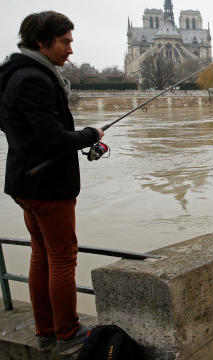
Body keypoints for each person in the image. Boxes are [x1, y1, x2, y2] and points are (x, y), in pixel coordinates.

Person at [0, 11, 103, 355]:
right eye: (65, 41)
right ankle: (67, 332)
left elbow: (19, 129)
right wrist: (90, 134)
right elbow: (53, 140)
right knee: (62, 258)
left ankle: (46, 331)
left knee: (41, 255)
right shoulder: (33, 78)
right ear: (42, 42)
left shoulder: (13, 74)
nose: (71, 49)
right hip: (47, 185)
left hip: (24, 182)